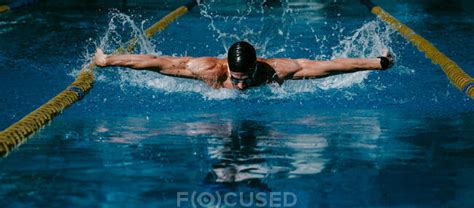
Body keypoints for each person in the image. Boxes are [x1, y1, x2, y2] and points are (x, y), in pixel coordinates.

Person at [94, 41, 394, 91]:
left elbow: (330, 67)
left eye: (245, 78)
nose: (240, 86)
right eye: (235, 79)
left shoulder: (274, 70)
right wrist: (108, 60)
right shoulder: (210, 70)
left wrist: (375, 63)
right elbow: (158, 64)